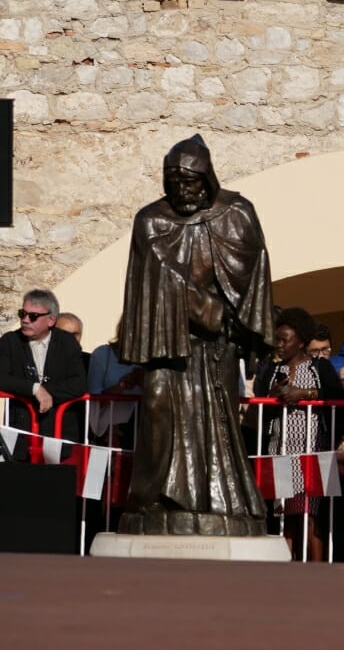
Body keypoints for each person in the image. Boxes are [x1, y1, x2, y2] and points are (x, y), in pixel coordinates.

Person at [117, 135, 274, 536]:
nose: (182, 191)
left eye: (190, 182)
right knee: (155, 405)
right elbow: (150, 282)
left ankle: (221, 502)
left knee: (217, 419)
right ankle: (154, 498)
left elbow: (251, 276)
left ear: (207, 180)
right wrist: (200, 306)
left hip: (216, 342)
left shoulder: (236, 213)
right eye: (174, 183)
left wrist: (225, 318)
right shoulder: (151, 220)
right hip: (167, 342)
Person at [256, 307, 342, 560]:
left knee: (309, 515)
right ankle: (286, 567)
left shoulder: (320, 367)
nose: (280, 345)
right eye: (278, 339)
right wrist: (271, 395)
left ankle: (317, 570)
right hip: (279, 449)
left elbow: (335, 396)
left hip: (311, 451)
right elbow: (259, 408)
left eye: (286, 340)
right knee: (284, 518)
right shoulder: (272, 370)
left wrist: (305, 394)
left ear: (302, 341)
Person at [0, 289, 87, 460]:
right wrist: (34, 389)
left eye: (33, 316)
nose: (25, 320)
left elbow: (79, 383)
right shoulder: (10, 341)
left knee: (54, 485)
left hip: (58, 432)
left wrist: (47, 392)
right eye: (22, 314)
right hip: (21, 432)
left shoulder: (67, 342)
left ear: (51, 320)